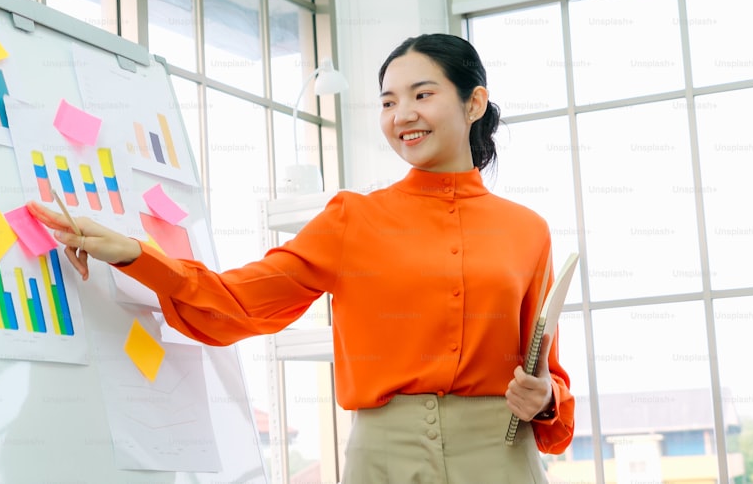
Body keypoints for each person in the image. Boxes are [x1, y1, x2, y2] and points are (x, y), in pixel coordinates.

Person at [28, 33, 574, 483]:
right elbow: (240, 301)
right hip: (384, 458)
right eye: (388, 102)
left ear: (473, 102)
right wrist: (132, 253)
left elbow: (546, 372)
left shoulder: (527, 232)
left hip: (499, 457)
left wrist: (545, 397)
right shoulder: (351, 219)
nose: (402, 114)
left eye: (422, 95)